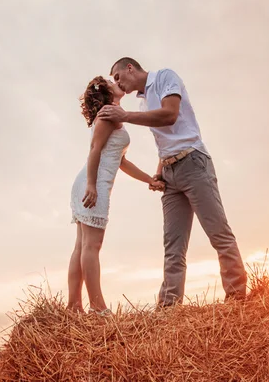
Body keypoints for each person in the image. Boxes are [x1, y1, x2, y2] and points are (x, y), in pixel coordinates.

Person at [97, 57, 247, 307]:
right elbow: (164, 140)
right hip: (169, 172)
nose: (118, 83)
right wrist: (159, 171)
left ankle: (237, 301)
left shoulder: (166, 77)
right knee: (173, 247)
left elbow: (169, 116)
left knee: (218, 233)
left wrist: (126, 115)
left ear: (130, 68)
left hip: (193, 163)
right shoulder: (144, 99)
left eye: (117, 77)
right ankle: (168, 309)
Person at [68, 76, 165, 315]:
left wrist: (150, 180)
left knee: (83, 246)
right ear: (105, 91)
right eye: (112, 81)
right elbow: (95, 150)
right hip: (93, 184)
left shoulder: (114, 114)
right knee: (92, 245)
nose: (117, 82)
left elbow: (121, 161)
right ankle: (98, 308)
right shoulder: (108, 113)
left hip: (93, 183)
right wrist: (92, 185)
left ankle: (73, 307)